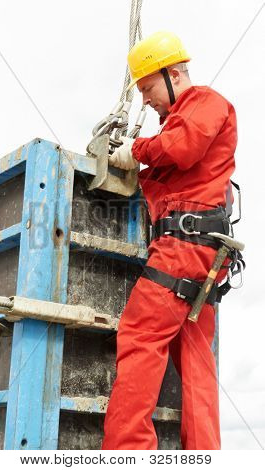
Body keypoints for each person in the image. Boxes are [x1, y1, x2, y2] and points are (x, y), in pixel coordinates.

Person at [101, 31, 237, 450]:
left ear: (173, 73)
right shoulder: (179, 122)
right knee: (195, 357)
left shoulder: (204, 103)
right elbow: (165, 172)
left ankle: (128, 453)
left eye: (147, 88)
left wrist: (136, 149)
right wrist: (134, 163)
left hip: (184, 249)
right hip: (204, 255)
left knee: (141, 336)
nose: (145, 100)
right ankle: (204, 455)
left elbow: (178, 148)